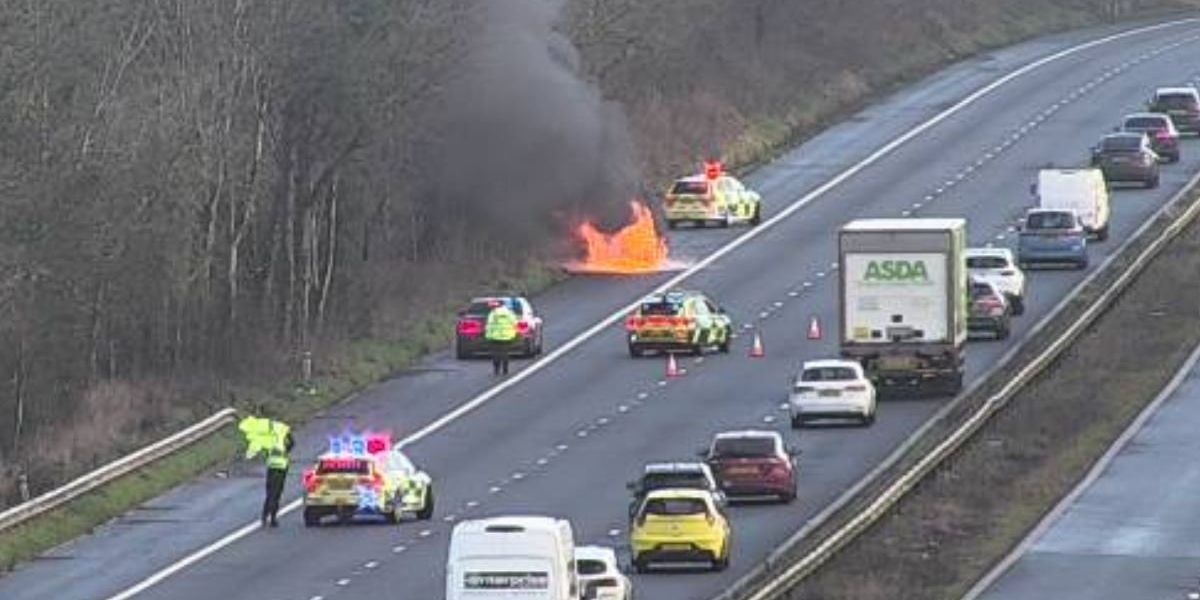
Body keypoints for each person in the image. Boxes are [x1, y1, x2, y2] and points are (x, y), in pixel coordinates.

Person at [240, 415, 295, 527]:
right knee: (277, 492)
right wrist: (286, 450)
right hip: (282, 466)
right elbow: (291, 443)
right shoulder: (282, 430)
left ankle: (265, 516)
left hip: (271, 466)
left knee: (270, 492)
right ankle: (273, 518)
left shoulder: (265, 433)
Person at [484, 300, 519, 376]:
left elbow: (489, 325)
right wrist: (515, 334)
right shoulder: (509, 313)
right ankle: (505, 370)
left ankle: (496, 370)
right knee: (505, 353)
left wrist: (488, 336)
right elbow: (515, 323)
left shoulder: (493, 314)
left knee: (496, 353)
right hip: (507, 336)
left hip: (495, 337)